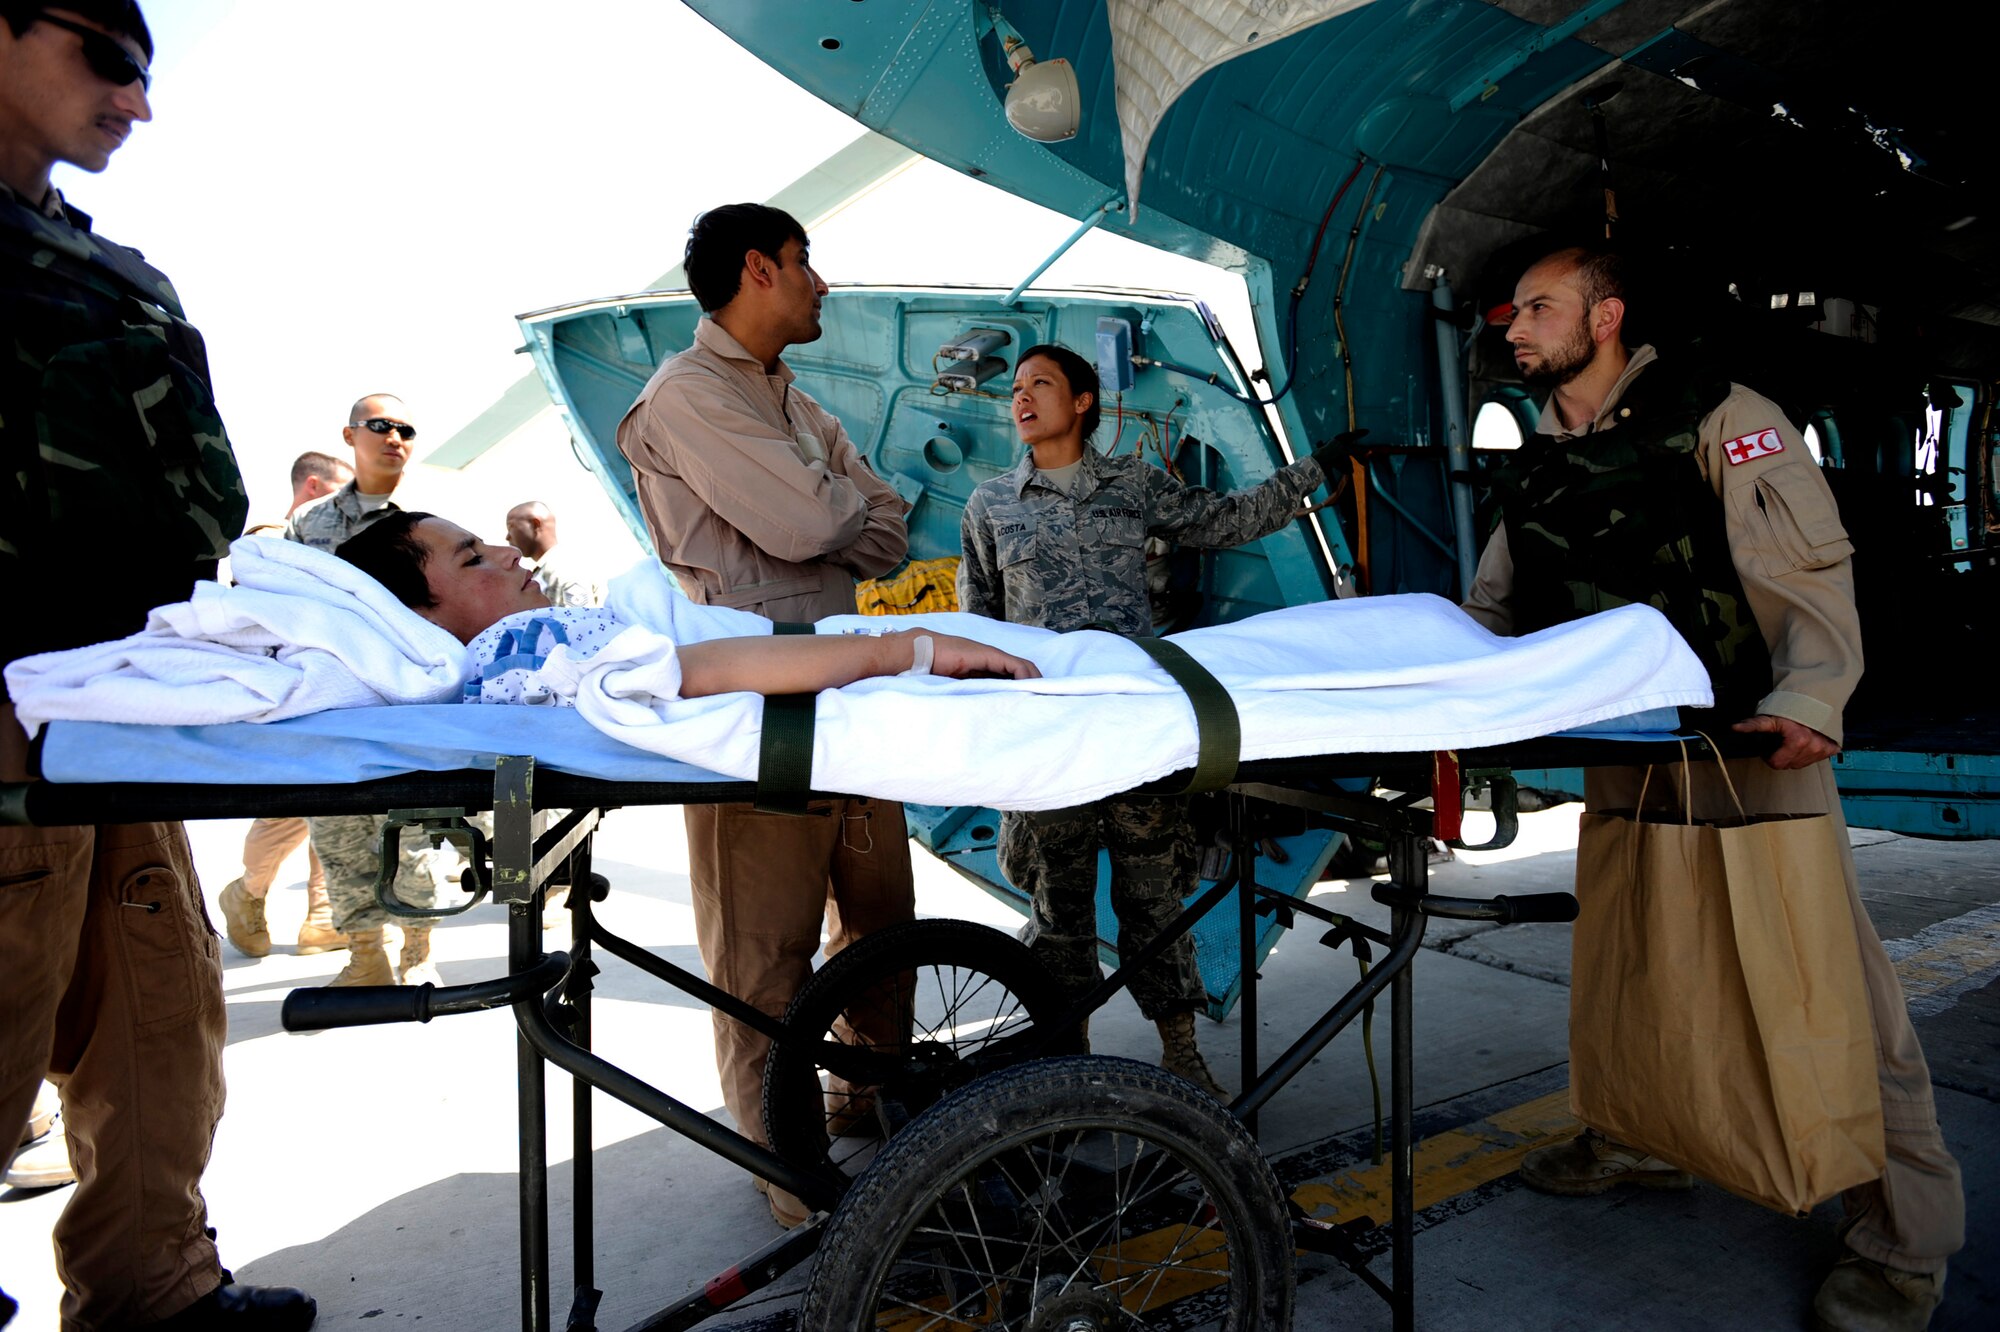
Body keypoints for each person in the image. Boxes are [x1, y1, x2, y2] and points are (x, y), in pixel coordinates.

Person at [1463, 243, 1963, 1332]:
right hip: (1627, 755)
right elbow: (1498, 600)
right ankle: (1645, 1133)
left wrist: (1813, 698)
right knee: (1635, 966)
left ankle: (1902, 1240)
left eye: (1537, 310)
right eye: (1512, 315)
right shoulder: (1547, 449)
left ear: (1604, 318)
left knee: (1830, 992)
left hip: (1749, 748)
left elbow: (1803, 567)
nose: (1513, 329)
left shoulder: (1718, 416)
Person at [0, 4, 316, 1326]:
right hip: (6, 719)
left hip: (116, 707)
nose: (139, 101)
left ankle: (155, 1292)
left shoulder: (104, 267)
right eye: (109, 58)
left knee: (156, 1007)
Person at [614, 203, 915, 1228]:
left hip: (847, 682)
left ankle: (872, 1101)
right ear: (757, 269)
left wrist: (836, 508)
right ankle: (786, 1164)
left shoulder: (787, 398)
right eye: (805, 262)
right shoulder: (687, 395)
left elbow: (886, 533)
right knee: (765, 948)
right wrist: (835, 504)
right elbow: (816, 519)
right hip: (757, 694)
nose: (819, 283)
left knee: (881, 914)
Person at [957, 343, 1346, 1098]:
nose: (1021, 398)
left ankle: (1181, 1052)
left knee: (1152, 900)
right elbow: (981, 633)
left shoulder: (1134, 486)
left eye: (1041, 384)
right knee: (1058, 907)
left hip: (1138, 735)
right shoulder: (990, 506)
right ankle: (1065, 1061)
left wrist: (1315, 472)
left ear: (1084, 403)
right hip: (1054, 742)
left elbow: (1227, 520)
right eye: (1015, 388)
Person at [335, 510, 1038, 689]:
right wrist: (914, 651)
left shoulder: (522, 651)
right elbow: (701, 667)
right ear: (421, 614)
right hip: (801, 647)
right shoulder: (525, 653)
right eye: (472, 557)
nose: (507, 551)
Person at [284, 395, 456, 989]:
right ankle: (364, 955)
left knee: (411, 830)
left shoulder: (421, 529)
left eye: (406, 428)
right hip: (330, 697)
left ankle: (417, 953)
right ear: (350, 436)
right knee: (337, 831)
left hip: (400, 699)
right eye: (380, 426)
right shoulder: (310, 525)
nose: (394, 437)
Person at [218, 451, 358, 961]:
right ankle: (248, 894)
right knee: (283, 816)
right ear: (314, 486)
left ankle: (322, 915)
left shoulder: (336, 545)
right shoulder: (267, 544)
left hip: (332, 698)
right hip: (286, 698)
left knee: (336, 808)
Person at [505, 500, 599, 606]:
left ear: (535, 525)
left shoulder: (564, 567)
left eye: (510, 527)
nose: (507, 537)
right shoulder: (543, 571)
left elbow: (581, 618)